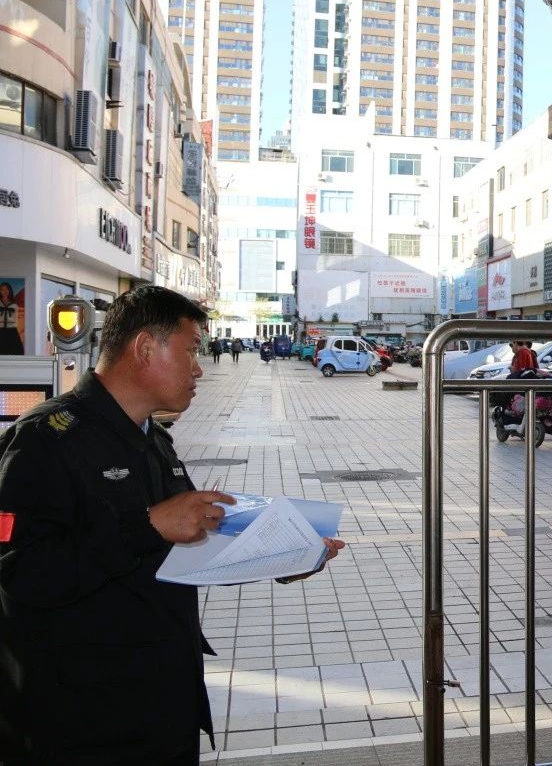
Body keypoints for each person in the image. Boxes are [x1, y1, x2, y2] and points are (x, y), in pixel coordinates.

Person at [0, 285, 345, 762]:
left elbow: (184, 546)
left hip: (160, 706)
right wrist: (146, 526)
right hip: (79, 723)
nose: (199, 368)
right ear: (145, 348)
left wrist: (285, 556)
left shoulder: (153, 439)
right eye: (191, 351)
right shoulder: (44, 440)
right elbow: (22, 574)